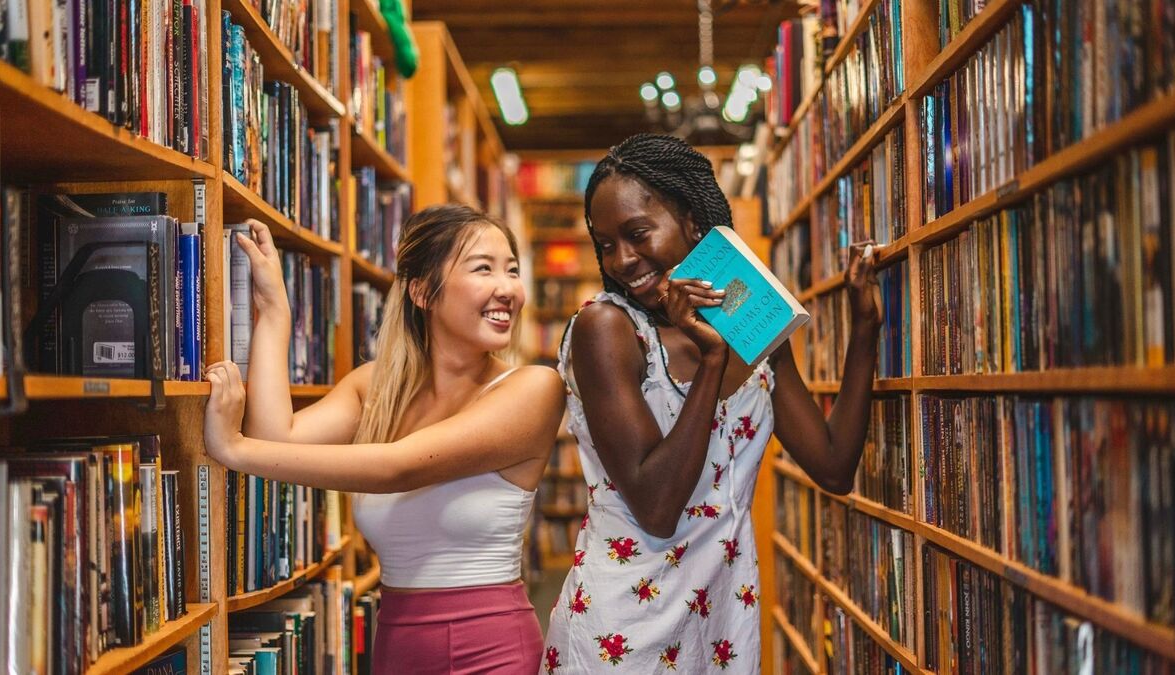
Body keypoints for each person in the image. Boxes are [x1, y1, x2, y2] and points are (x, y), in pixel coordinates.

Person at [541, 134, 881, 673]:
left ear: (694, 223)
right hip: (623, 631)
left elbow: (835, 466)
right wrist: (712, 359)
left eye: (637, 234)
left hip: (721, 623)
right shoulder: (606, 329)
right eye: (605, 244)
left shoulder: (755, 321)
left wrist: (866, 329)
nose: (622, 260)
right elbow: (657, 507)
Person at [203, 205, 565, 674]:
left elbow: (398, 468)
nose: (508, 288)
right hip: (395, 645)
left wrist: (232, 449)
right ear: (422, 291)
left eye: (512, 271)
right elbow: (276, 439)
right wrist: (275, 311)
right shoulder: (375, 389)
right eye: (484, 268)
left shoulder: (533, 389)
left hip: (491, 650)